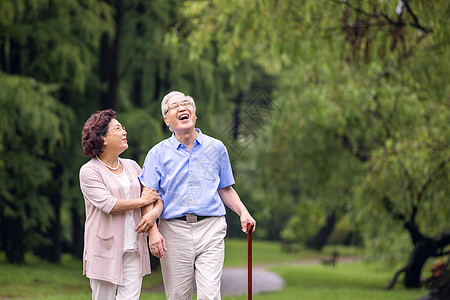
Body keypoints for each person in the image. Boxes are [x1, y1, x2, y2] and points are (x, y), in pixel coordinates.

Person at [139, 91, 256, 300]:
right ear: (167, 120)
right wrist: (153, 232)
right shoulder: (157, 154)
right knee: (177, 296)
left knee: (210, 295)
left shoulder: (216, 148)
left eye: (186, 104)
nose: (182, 108)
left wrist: (243, 213)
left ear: (194, 115)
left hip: (211, 228)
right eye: (174, 106)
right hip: (173, 230)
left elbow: (225, 188)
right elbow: (148, 196)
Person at [79, 109, 163, 300]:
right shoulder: (90, 171)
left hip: (134, 247)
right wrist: (142, 201)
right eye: (118, 128)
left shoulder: (132, 166)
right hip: (104, 249)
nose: (124, 131)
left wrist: (153, 215)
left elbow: (155, 197)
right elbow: (108, 204)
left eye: (123, 127)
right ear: (103, 139)